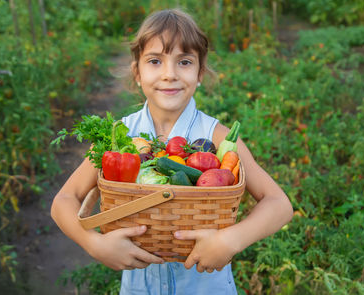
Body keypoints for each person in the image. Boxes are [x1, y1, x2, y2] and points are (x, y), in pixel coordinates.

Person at [51, 8, 293, 294]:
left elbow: (279, 203)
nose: (169, 74)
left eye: (184, 62)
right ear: (137, 72)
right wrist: (94, 244)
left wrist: (231, 241)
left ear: (200, 73)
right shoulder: (118, 138)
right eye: (155, 61)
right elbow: (64, 200)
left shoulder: (218, 137)